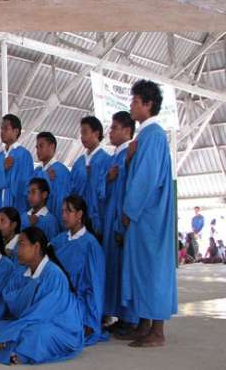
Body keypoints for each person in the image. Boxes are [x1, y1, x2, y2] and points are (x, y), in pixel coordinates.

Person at [119, 79, 177, 347]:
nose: (131, 105)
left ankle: (158, 331)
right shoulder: (144, 135)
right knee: (141, 268)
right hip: (143, 216)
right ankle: (144, 322)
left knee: (152, 268)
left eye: (135, 101)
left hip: (148, 216)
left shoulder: (153, 136)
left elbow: (147, 178)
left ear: (148, 104)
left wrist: (130, 210)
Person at [0, 226, 84, 364]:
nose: (16, 250)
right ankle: (1, 349)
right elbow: (9, 297)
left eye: (21, 245)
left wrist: (13, 329)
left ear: (36, 247)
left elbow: (43, 312)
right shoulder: (21, 271)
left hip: (56, 325)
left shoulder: (54, 275)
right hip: (26, 321)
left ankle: (18, 353)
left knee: (38, 334)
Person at [52, 195, 107, 346]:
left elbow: (95, 288)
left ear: (79, 215)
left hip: (78, 304)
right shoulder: (59, 240)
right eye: (62, 211)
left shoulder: (91, 245)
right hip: (57, 297)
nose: (63, 216)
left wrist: (90, 321)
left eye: (68, 211)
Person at [103, 111, 137, 336]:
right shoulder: (115, 157)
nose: (111, 132)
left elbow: (129, 191)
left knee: (126, 270)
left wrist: (122, 224)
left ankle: (131, 317)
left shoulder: (130, 155)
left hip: (121, 220)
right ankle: (120, 314)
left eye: (114, 128)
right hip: (111, 219)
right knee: (114, 269)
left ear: (127, 131)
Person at [70, 116, 112, 236]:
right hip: (78, 219)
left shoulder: (106, 160)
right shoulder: (78, 162)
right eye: (81, 133)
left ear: (96, 133)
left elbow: (106, 193)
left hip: (98, 220)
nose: (82, 137)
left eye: (85, 132)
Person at [31, 131, 69, 218]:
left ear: (52, 146)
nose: (38, 150)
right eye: (37, 147)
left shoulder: (61, 171)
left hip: (53, 219)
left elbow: (60, 201)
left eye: (41, 146)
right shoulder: (37, 171)